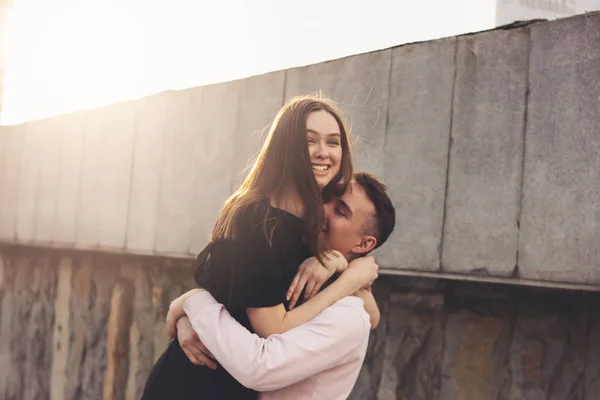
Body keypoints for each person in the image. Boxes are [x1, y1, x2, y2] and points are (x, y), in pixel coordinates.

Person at [142, 95, 379, 400]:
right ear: (287, 146)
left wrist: (345, 265)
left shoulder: (312, 221)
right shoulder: (259, 220)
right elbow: (274, 330)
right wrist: (350, 280)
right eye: (310, 140)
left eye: (333, 142)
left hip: (234, 385)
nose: (323, 152)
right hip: (195, 382)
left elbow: (371, 317)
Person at [168, 172, 396, 399]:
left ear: (364, 243)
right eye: (328, 197)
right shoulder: (297, 268)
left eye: (341, 211)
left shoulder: (348, 314)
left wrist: (195, 303)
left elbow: (260, 367)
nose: (323, 208)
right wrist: (192, 321)